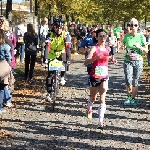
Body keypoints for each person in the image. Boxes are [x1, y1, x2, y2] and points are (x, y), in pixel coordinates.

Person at [84, 29, 117, 129]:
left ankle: (100, 122)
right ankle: (89, 107)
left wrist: (112, 60)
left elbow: (108, 58)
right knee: (93, 98)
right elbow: (85, 62)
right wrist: (95, 58)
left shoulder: (108, 49)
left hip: (104, 76)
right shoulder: (94, 48)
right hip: (94, 76)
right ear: (97, 38)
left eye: (104, 36)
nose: (103, 38)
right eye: (100, 36)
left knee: (102, 99)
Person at [122, 18, 148, 106]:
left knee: (135, 81)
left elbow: (146, 50)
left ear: (138, 26)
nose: (133, 27)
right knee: (128, 79)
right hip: (128, 61)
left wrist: (139, 46)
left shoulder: (141, 36)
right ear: (129, 26)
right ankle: (128, 97)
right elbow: (123, 45)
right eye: (131, 25)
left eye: (135, 25)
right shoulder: (126, 36)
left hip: (138, 61)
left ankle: (133, 98)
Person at [0, 29, 12, 112]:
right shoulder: (4, 46)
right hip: (3, 66)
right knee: (2, 87)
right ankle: (0, 107)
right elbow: (8, 57)